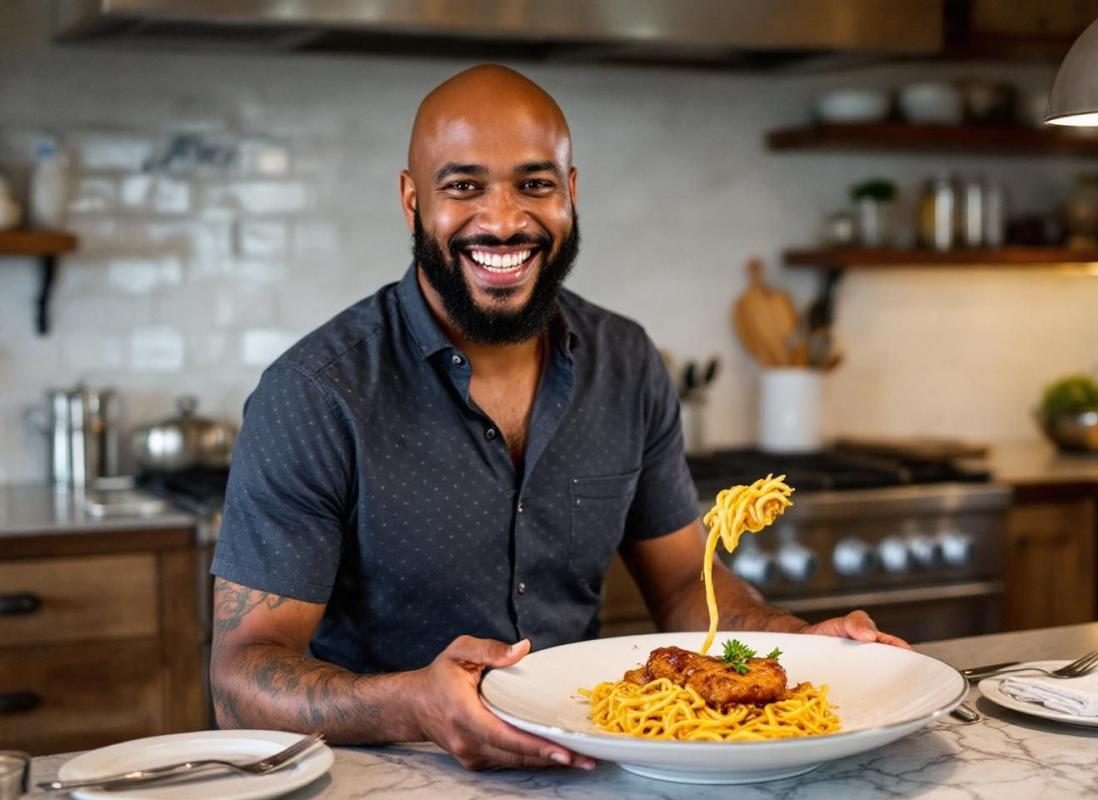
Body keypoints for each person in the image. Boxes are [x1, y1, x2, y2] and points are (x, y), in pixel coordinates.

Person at [209, 64, 908, 772]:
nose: (505, 220)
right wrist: (412, 702)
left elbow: (680, 583)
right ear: (412, 200)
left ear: (571, 194)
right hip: (391, 774)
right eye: (464, 186)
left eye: (535, 184)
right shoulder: (313, 394)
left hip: (591, 772)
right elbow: (237, 681)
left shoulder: (628, 363)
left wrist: (793, 643)